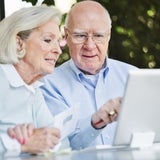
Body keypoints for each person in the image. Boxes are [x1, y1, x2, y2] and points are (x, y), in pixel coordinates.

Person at [40, 0, 138, 150]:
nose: (90, 46)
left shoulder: (133, 76)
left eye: (98, 36)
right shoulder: (49, 84)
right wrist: (95, 122)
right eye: (80, 36)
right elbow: (61, 145)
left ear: (109, 35)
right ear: (66, 36)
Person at [0, 5, 67, 155]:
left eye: (58, 41)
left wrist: (42, 140)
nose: (58, 50)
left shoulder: (33, 89)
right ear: (19, 43)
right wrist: (17, 143)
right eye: (48, 40)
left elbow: (58, 144)